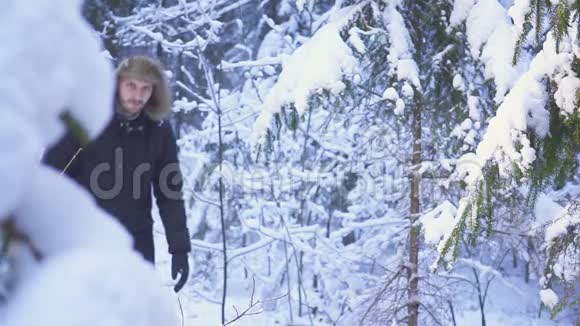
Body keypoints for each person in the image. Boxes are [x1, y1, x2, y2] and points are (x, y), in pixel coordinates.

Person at [43, 55, 191, 292]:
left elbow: (169, 192)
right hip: (86, 236)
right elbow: (52, 176)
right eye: (131, 85)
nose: (138, 94)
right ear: (118, 83)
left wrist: (180, 248)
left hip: (137, 240)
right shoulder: (90, 119)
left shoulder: (159, 131)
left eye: (146, 88)